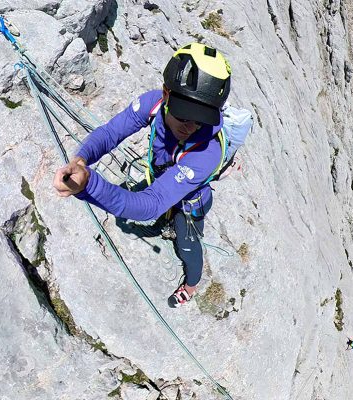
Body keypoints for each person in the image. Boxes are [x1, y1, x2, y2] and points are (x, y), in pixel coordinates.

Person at [53, 42, 232, 308]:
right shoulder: (154, 103)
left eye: (201, 119)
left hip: (190, 203)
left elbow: (150, 204)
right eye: (185, 116)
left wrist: (90, 185)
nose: (192, 127)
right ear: (166, 95)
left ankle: (192, 284)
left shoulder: (208, 151)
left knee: (187, 245)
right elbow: (111, 133)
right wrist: (81, 160)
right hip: (163, 181)